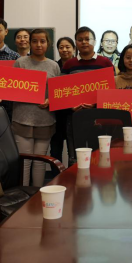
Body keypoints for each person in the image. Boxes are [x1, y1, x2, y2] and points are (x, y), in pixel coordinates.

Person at [11, 29, 60, 187]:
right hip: (22, 119)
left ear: (48, 44)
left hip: (45, 120)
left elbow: (57, 93)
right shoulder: (20, 63)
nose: (39, 45)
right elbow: (11, 88)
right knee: (24, 161)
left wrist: (50, 100)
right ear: (30, 43)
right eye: (35, 41)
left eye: (42, 41)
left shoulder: (54, 66)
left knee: (40, 161)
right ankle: (23, 195)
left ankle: (37, 195)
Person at [62, 26, 114, 112]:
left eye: (87, 39)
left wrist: (96, 104)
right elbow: (62, 92)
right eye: (80, 40)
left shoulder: (106, 63)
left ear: (95, 42)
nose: (84, 42)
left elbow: (112, 91)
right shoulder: (69, 64)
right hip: (76, 115)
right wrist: (71, 106)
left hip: (100, 114)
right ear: (76, 43)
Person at [50, 36, 76, 174]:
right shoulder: (54, 66)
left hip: (74, 114)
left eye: (68, 47)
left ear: (74, 49)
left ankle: (72, 177)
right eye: (61, 47)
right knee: (56, 150)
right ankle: (56, 177)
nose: (64, 50)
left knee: (73, 151)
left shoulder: (78, 66)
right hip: (57, 115)